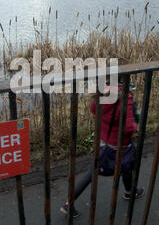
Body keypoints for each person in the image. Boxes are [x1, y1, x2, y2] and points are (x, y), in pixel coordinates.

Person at [60, 83, 145, 217]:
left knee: (94, 172)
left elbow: (94, 110)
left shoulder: (102, 94)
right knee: (128, 165)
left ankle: (68, 203)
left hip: (103, 142)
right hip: (120, 144)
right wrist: (135, 123)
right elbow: (129, 127)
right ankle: (130, 192)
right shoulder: (125, 97)